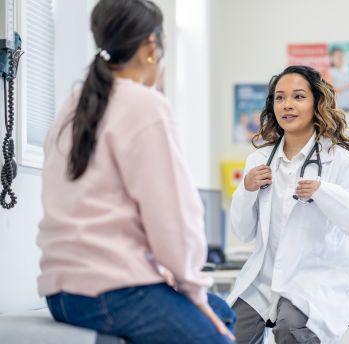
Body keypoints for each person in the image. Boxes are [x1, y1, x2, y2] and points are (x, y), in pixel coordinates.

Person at [36, 1, 235, 343]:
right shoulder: (145, 105)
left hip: (63, 292)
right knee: (218, 332)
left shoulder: (75, 105)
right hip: (113, 291)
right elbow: (172, 220)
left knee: (223, 312)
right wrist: (192, 288)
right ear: (151, 47)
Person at [228, 65, 349, 344]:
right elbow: (243, 232)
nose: (287, 105)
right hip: (264, 279)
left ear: (316, 103)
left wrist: (324, 193)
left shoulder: (341, 161)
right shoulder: (258, 162)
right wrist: (246, 190)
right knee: (227, 332)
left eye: (298, 97)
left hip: (314, 280)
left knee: (291, 330)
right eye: (280, 98)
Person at [328, 47, 349, 112]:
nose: (341, 59)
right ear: (332, 58)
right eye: (338, 57)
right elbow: (332, 90)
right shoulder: (331, 72)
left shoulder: (345, 72)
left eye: (342, 56)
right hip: (342, 107)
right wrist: (347, 86)